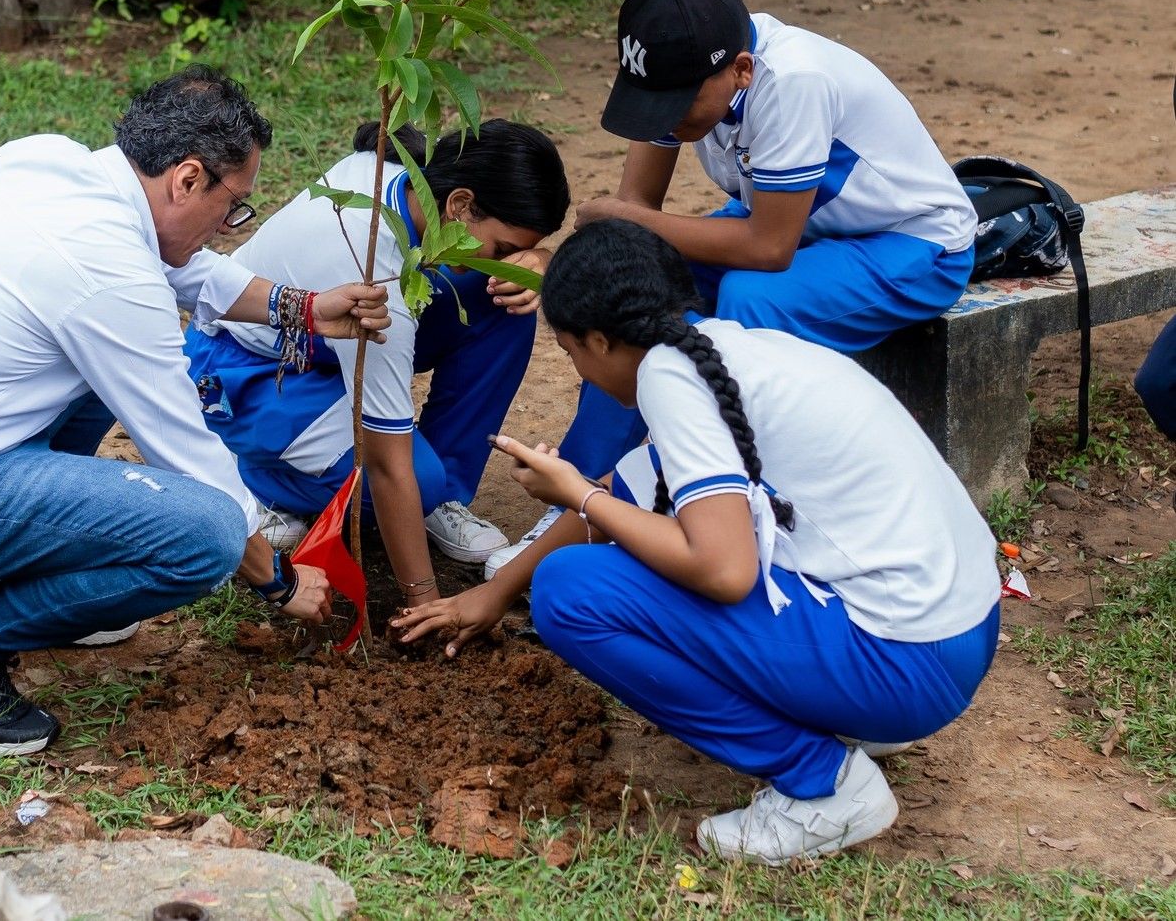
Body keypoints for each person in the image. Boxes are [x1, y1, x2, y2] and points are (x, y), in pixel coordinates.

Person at [0, 68, 391, 756]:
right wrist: (278, 578)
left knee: (108, 405)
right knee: (205, 534)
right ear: (187, 179)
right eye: (234, 207)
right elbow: (194, 459)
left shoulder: (48, 163)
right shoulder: (102, 269)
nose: (228, 227)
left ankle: (57, 587)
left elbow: (176, 268)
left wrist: (303, 307)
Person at [396, 220, 1001, 865]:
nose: (578, 368)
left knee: (573, 592)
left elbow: (723, 571)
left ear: (598, 341)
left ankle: (823, 784)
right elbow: (626, 491)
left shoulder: (670, 378)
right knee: (601, 556)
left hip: (906, 666)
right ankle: (845, 716)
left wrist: (577, 494)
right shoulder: (721, 351)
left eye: (572, 354)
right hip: (954, 635)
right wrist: (495, 590)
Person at [487, 0, 978, 576]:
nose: (663, 119)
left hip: (910, 244)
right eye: (650, 102)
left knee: (751, 301)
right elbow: (635, 214)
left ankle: (715, 507)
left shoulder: (794, 81)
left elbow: (768, 249)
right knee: (630, 303)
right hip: (794, 230)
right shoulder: (684, 73)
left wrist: (623, 220)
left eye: (675, 105)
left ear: (741, 70)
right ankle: (582, 496)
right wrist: (574, 249)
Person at [184, 119, 569, 606]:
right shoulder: (374, 277)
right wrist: (423, 598)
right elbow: (387, 464)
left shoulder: (412, 180)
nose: (506, 258)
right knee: (408, 476)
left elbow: (511, 261)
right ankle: (263, 481)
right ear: (461, 205)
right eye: (505, 248)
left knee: (505, 298)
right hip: (249, 367)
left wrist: (536, 259)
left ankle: (441, 493)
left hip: (326, 340)